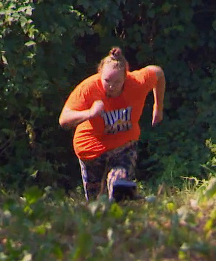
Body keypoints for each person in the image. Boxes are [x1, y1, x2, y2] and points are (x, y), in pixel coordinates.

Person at [58, 47, 166, 201]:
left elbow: (158, 72)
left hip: (123, 144)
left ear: (126, 76)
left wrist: (158, 107)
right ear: (100, 74)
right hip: (91, 149)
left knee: (119, 187)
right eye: (106, 81)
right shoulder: (88, 88)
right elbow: (64, 120)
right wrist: (89, 113)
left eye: (117, 82)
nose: (111, 86)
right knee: (96, 204)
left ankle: (122, 198)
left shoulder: (138, 82)